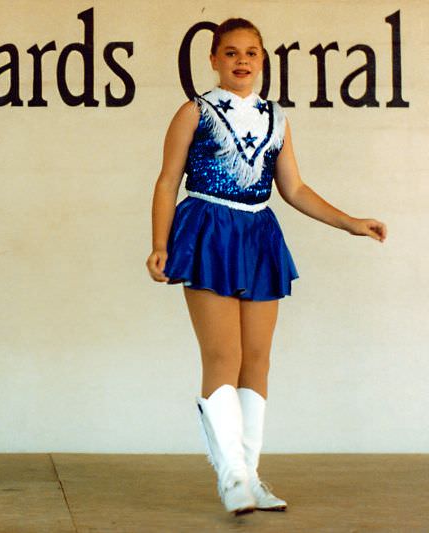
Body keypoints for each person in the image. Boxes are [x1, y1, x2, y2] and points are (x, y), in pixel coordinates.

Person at [146, 18, 386, 514]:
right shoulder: (194, 112)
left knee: (257, 359)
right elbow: (168, 180)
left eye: (251, 53)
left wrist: (349, 222)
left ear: (262, 60)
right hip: (208, 230)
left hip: (258, 234)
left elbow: (293, 189)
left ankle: (251, 476)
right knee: (223, 358)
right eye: (230, 52)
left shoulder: (277, 117)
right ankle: (231, 476)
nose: (241, 61)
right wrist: (159, 243)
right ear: (213, 59)